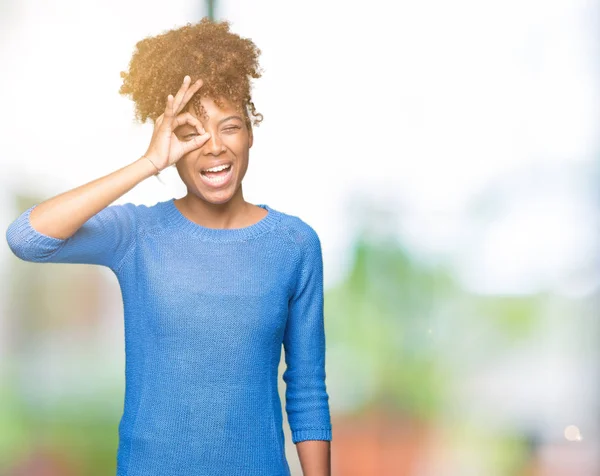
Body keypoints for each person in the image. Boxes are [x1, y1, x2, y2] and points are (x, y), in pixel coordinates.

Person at [5, 18, 332, 476]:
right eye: (190, 132)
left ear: (251, 132)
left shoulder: (294, 244)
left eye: (230, 126)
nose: (213, 146)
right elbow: (27, 238)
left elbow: (306, 389)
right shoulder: (137, 233)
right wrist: (147, 163)